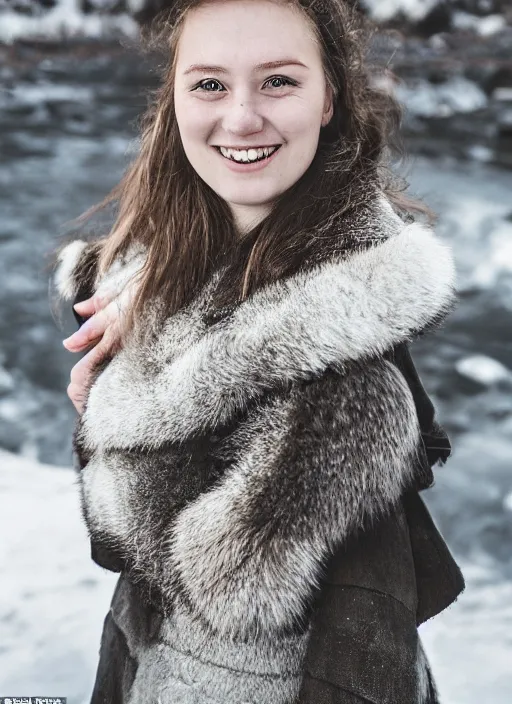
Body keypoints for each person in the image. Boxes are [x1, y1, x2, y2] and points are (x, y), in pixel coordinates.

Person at [51, 0, 465, 702]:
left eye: (278, 81)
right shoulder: (149, 274)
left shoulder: (354, 386)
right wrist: (107, 402)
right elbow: (124, 560)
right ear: (174, 100)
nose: (241, 119)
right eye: (209, 84)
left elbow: (362, 665)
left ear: (329, 96)